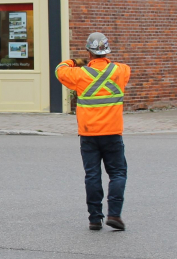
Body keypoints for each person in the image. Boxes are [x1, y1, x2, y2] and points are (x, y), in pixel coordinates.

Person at [56, 32, 132, 231]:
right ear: (107, 51)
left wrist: (76, 61)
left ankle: (94, 218)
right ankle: (114, 214)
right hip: (113, 133)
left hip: (88, 135)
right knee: (117, 173)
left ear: (89, 53)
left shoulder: (80, 74)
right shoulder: (120, 71)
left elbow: (60, 69)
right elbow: (123, 69)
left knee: (92, 175)